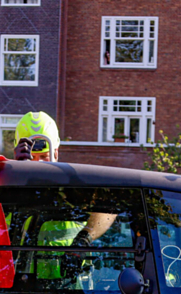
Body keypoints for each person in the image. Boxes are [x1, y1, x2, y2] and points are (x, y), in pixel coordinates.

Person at [10, 112, 116, 283]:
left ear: (56, 152)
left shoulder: (73, 187)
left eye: (44, 157)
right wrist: (14, 174)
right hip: (18, 290)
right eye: (32, 158)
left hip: (68, 290)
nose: (39, 165)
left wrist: (84, 239)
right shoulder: (5, 190)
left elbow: (108, 210)